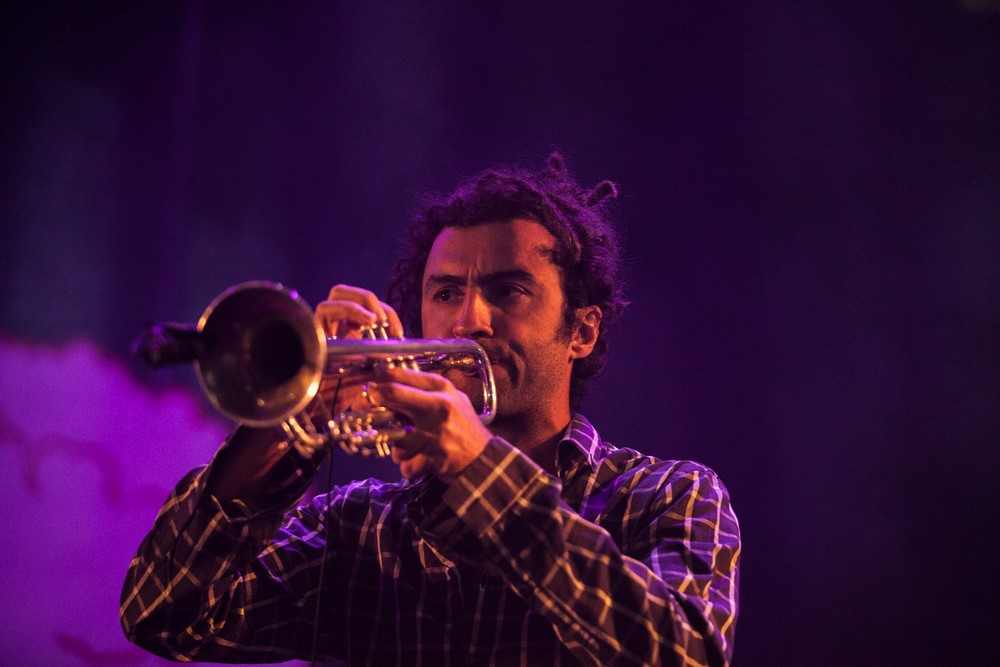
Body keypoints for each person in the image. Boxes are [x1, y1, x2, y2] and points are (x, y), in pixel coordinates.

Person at [120, 153, 741, 666]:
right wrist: (292, 416)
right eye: (446, 293)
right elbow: (163, 615)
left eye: (508, 290)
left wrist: (481, 470)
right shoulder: (357, 528)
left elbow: (683, 655)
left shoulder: (666, 495)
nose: (469, 320)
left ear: (581, 331)